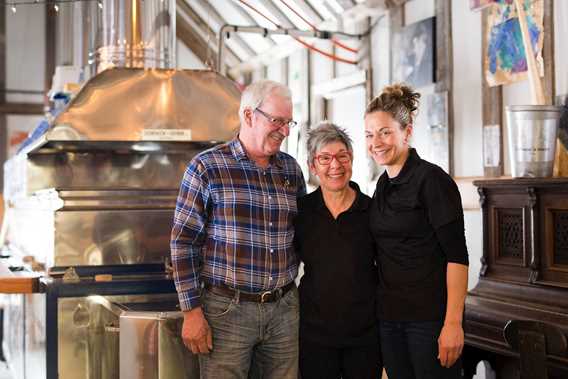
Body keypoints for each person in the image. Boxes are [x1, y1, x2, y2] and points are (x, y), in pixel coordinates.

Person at [170, 79, 306, 379]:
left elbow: (303, 234)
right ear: (248, 115)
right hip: (226, 311)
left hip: (283, 308)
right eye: (277, 121)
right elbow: (183, 243)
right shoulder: (207, 167)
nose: (284, 131)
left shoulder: (291, 170)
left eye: (288, 122)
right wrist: (191, 312)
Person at [365, 83, 469, 379]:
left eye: (385, 132)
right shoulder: (381, 186)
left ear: (406, 132)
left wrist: (453, 323)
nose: (376, 142)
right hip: (390, 319)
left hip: (430, 320)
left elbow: (457, 256)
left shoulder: (432, 181)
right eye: (370, 135)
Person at [294, 122, 381, 379]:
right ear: (312, 166)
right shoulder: (301, 212)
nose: (335, 165)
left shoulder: (373, 211)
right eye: (325, 158)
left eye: (343, 156)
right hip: (314, 336)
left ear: (352, 160)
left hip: (365, 336)